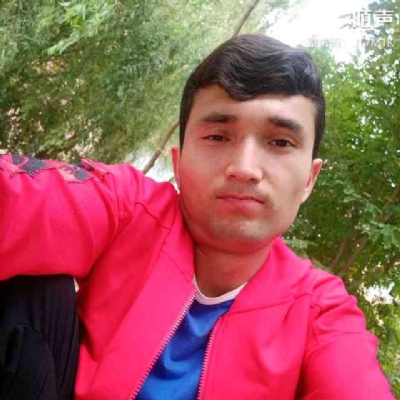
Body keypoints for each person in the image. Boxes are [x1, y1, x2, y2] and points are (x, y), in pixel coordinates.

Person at [0, 35, 395, 400]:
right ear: (178, 162)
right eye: (218, 137)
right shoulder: (128, 210)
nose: (245, 169)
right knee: (37, 286)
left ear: (309, 179)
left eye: (280, 142)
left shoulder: (319, 311)